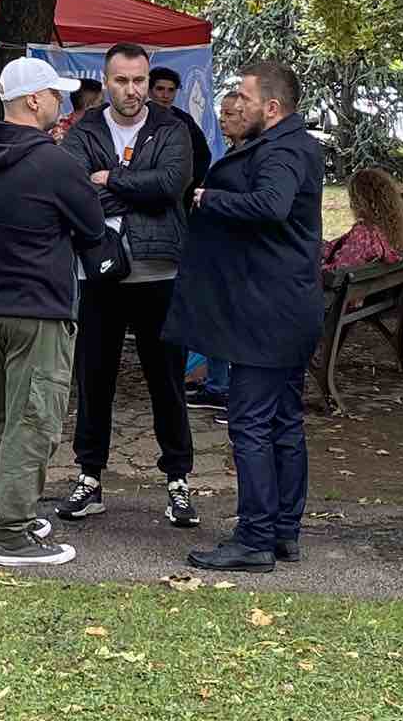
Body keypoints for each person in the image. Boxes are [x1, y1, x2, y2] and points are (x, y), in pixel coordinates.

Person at [166, 61, 324, 573]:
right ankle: (283, 531)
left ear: (272, 108)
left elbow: (272, 205)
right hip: (284, 306)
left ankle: (255, 536)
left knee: (252, 423)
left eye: (243, 96)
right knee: (282, 422)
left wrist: (211, 198)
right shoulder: (292, 144)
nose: (234, 103)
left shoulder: (281, 150)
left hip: (266, 312)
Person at [0, 56, 106, 567]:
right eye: (54, 94)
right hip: (39, 308)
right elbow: (92, 226)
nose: (61, 104)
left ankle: (8, 509)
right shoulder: (55, 162)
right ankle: (13, 532)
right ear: (32, 100)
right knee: (36, 419)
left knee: (5, 417)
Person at [56, 42, 199, 530]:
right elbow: (74, 189)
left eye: (139, 80)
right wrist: (132, 185)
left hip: (159, 273)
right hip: (99, 274)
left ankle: (178, 481)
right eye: (122, 80)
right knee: (94, 380)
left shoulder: (172, 128)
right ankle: (89, 478)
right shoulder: (85, 129)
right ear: (106, 80)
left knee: (167, 383)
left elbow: (170, 187)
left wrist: (111, 178)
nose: (133, 90)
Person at [186, 89, 246, 413]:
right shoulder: (230, 152)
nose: (223, 119)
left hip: (233, 254)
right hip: (217, 251)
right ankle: (217, 384)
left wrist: (209, 199)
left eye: (231, 114)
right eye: (221, 112)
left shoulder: (250, 157)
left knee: (225, 321)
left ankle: (225, 389)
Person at [321, 167, 403, 273]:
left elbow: (338, 271)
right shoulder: (388, 231)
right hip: (372, 287)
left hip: (335, 288)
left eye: (352, 198)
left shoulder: (364, 233)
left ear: (360, 201)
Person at [148, 66, 213, 204]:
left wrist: (187, 186)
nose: (165, 95)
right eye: (160, 89)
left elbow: (203, 155)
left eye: (171, 90)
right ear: (149, 91)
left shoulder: (185, 120)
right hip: (142, 191)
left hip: (177, 197)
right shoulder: (136, 117)